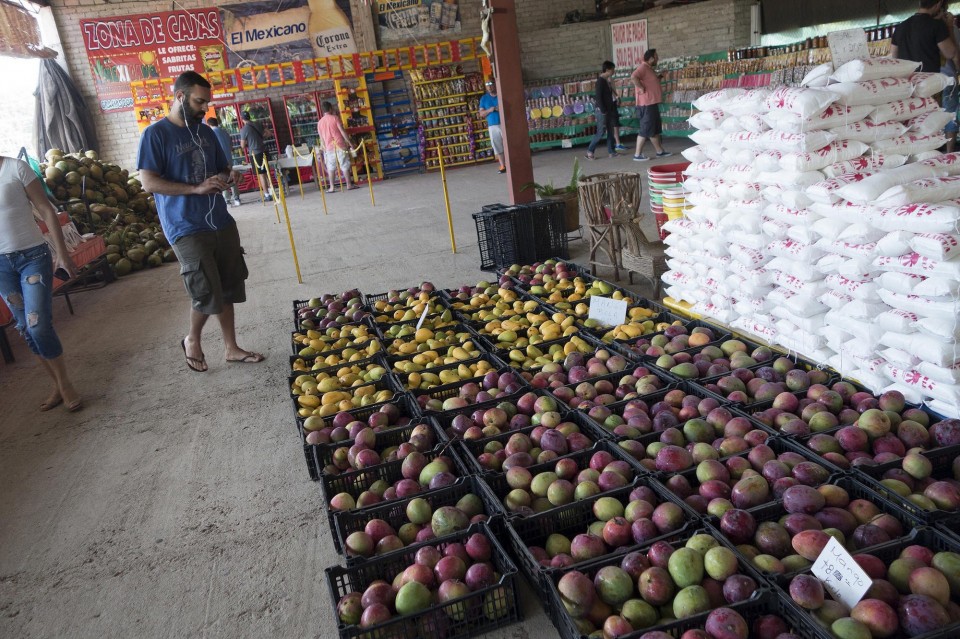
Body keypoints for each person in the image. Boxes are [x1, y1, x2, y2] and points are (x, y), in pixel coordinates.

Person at [137, 71, 264, 372]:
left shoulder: (205, 132)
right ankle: (192, 338)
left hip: (219, 219)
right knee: (206, 289)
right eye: (198, 101)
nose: (204, 108)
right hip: (184, 225)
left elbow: (222, 168)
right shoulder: (155, 135)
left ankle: (231, 348)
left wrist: (229, 176)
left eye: (206, 102)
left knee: (229, 285)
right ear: (180, 96)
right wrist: (194, 189)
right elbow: (148, 183)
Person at [0, 155, 82, 411]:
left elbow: (46, 210)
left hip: (32, 257)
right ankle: (57, 384)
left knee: (38, 325)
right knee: (25, 327)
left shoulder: (16, 168)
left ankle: (65, 383)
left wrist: (63, 255)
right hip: (1, 268)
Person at [631, 49, 672, 162]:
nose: (658, 59)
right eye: (656, 57)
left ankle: (660, 151)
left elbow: (651, 82)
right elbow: (633, 77)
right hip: (646, 104)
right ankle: (637, 154)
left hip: (651, 103)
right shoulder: (643, 68)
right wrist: (641, 87)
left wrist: (660, 76)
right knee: (646, 129)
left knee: (653, 129)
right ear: (651, 58)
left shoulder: (649, 69)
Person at [316, 101, 357, 192]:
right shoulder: (335, 118)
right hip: (340, 145)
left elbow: (321, 138)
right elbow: (342, 131)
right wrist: (350, 143)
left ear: (323, 111)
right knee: (344, 165)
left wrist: (324, 148)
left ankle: (332, 187)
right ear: (330, 108)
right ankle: (349, 185)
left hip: (329, 148)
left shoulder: (319, 123)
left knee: (331, 167)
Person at [585, 61, 620, 160]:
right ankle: (590, 151)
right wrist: (603, 110)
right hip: (602, 111)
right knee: (601, 132)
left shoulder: (606, 81)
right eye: (613, 69)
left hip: (608, 110)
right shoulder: (600, 81)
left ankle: (612, 151)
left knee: (610, 130)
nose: (614, 71)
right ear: (608, 69)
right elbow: (599, 97)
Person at [239, 111, 274, 202]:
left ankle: (267, 195)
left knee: (261, 175)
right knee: (266, 173)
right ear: (249, 117)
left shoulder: (244, 129)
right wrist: (262, 138)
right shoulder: (258, 124)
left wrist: (249, 144)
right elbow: (269, 133)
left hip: (255, 153)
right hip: (264, 151)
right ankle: (272, 192)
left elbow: (242, 146)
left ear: (242, 119)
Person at [207, 117, 241, 206]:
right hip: (229, 158)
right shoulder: (225, 132)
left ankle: (227, 199)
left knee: (222, 179)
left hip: (220, 160)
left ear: (209, 124)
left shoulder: (211, 133)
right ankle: (237, 198)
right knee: (232, 177)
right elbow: (231, 147)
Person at [478, 80, 506, 173]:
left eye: (491, 84)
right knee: (497, 146)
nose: (489, 87)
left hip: (504, 123)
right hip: (492, 126)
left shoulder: (501, 95)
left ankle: (512, 164)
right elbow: (481, 114)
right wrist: (490, 109)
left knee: (508, 144)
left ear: (495, 84)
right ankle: (502, 166)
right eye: (487, 85)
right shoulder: (484, 98)